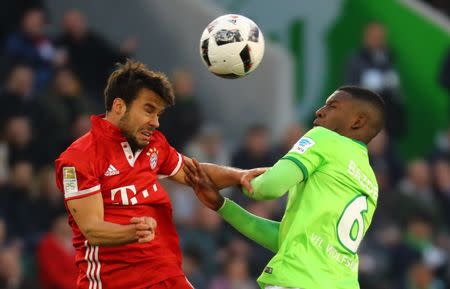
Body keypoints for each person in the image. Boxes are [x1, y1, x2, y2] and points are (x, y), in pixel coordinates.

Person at [54, 59, 263, 289]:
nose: (156, 122)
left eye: (158, 114)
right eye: (149, 110)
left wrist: (239, 176)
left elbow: (196, 174)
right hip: (116, 280)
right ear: (119, 106)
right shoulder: (77, 160)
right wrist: (134, 231)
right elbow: (92, 229)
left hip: (165, 273)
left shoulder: (154, 144)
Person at [184, 86, 386, 289]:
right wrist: (222, 205)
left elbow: (269, 187)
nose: (320, 111)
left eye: (332, 106)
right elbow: (288, 238)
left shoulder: (324, 138)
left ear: (357, 121)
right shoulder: (369, 181)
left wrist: (234, 177)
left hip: (298, 281)